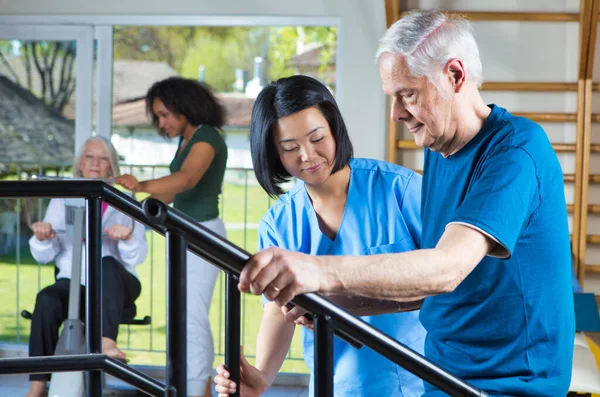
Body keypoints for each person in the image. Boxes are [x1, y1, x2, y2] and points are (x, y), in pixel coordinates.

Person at [234, 10, 575, 397]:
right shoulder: (441, 152)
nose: (395, 113)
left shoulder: (515, 150)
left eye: (407, 94)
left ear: (455, 76)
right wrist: (333, 305)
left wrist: (319, 271)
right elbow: (430, 290)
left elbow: (446, 269)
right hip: (444, 375)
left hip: (508, 385)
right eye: (392, 98)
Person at [214, 75, 426, 397]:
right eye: (289, 148)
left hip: (416, 384)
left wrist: (346, 303)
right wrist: (262, 377)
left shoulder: (401, 191)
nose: (307, 156)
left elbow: (448, 280)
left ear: (334, 127)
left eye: (317, 138)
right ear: (274, 153)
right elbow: (278, 308)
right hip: (334, 387)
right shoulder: (279, 223)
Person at [116, 76, 228, 397]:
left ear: (185, 106)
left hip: (204, 234)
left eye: (165, 114)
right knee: (183, 315)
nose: (161, 123)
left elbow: (187, 179)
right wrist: (134, 210)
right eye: (158, 116)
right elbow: (170, 195)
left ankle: (196, 390)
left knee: (192, 314)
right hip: (186, 234)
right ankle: (197, 389)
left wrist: (142, 185)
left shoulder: (206, 136)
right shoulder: (187, 140)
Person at [26, 136, 148, 397]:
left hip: (116, 283)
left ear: (111, 167)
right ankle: (37, 386)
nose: (95, 163)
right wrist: (42, 235)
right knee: (46, 300)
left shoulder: (125, 199)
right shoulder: (64, 197)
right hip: (74, 282)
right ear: (80, 164)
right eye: (89, 156)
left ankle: (106, 341)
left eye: (103, 158)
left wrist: (126, 238)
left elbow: (136, 256)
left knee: (106, 263)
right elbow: (44, 254)